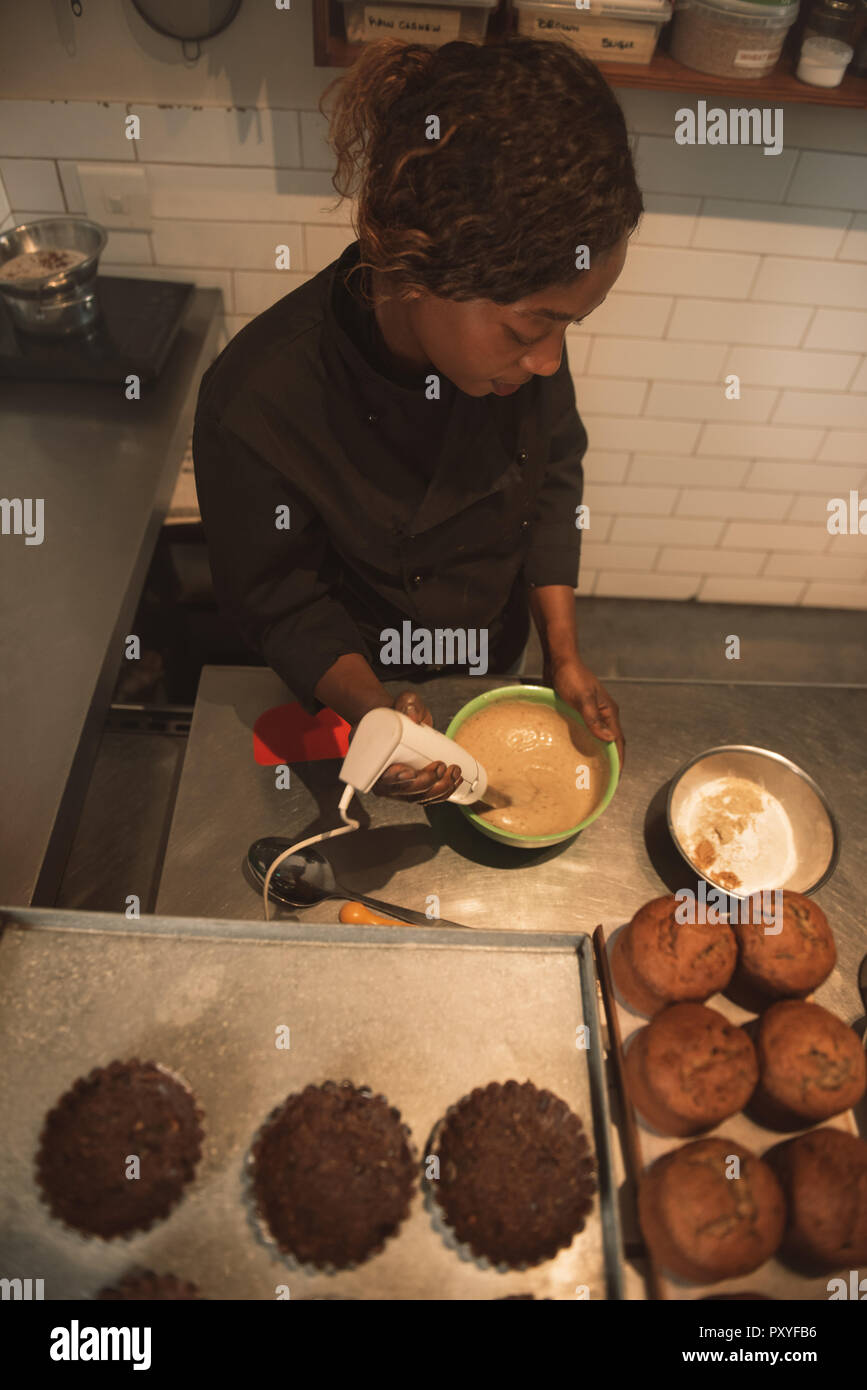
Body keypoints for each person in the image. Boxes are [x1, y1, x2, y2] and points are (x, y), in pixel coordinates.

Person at [193, 36, 640, 805]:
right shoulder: (256, 402)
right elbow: (281, 600)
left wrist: (560, 654)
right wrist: (376, 718)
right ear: (411, 266)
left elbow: (553, 475)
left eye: (570, 326)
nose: (546, 362)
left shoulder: (515, 355)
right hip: (355, 671)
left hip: (491, 643)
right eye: (530, 329)